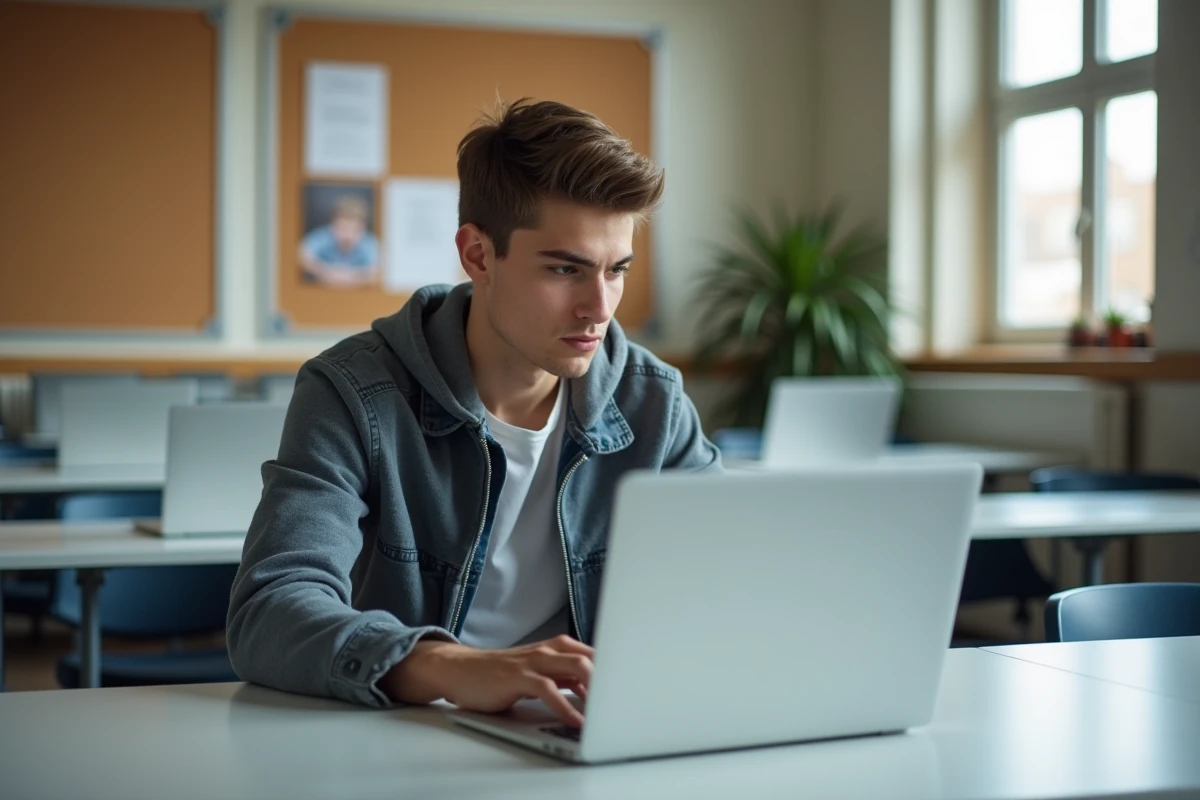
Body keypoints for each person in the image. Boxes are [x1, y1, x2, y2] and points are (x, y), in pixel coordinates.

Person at [228, 99, 721, 728]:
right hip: (403, 731)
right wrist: (452, 666)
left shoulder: (654, 400)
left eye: (616, 270)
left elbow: (720, 591)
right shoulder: (353, 391)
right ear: (478, 255)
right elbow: (270, 610)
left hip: (581, 732)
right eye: (566, 269)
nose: (599, 307)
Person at [299, 194, 380, 287]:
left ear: (363, 228)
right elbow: (301, 257)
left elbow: (377, 271)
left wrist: (352, 278)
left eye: (353, 229)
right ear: (332, 224)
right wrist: (325, 272)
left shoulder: (370, 243)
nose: (347, 235)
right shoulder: (322, 237)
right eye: (342, 228)